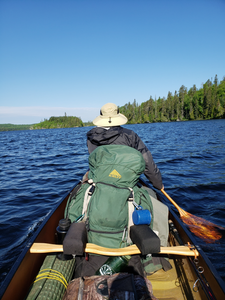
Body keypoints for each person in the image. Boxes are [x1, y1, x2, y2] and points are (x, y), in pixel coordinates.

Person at [86, 103, 164, 190]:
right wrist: (158, 183)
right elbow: (146, 160)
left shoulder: (91, 137)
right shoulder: (129, 135)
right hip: (125, 179)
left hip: (100, 179)